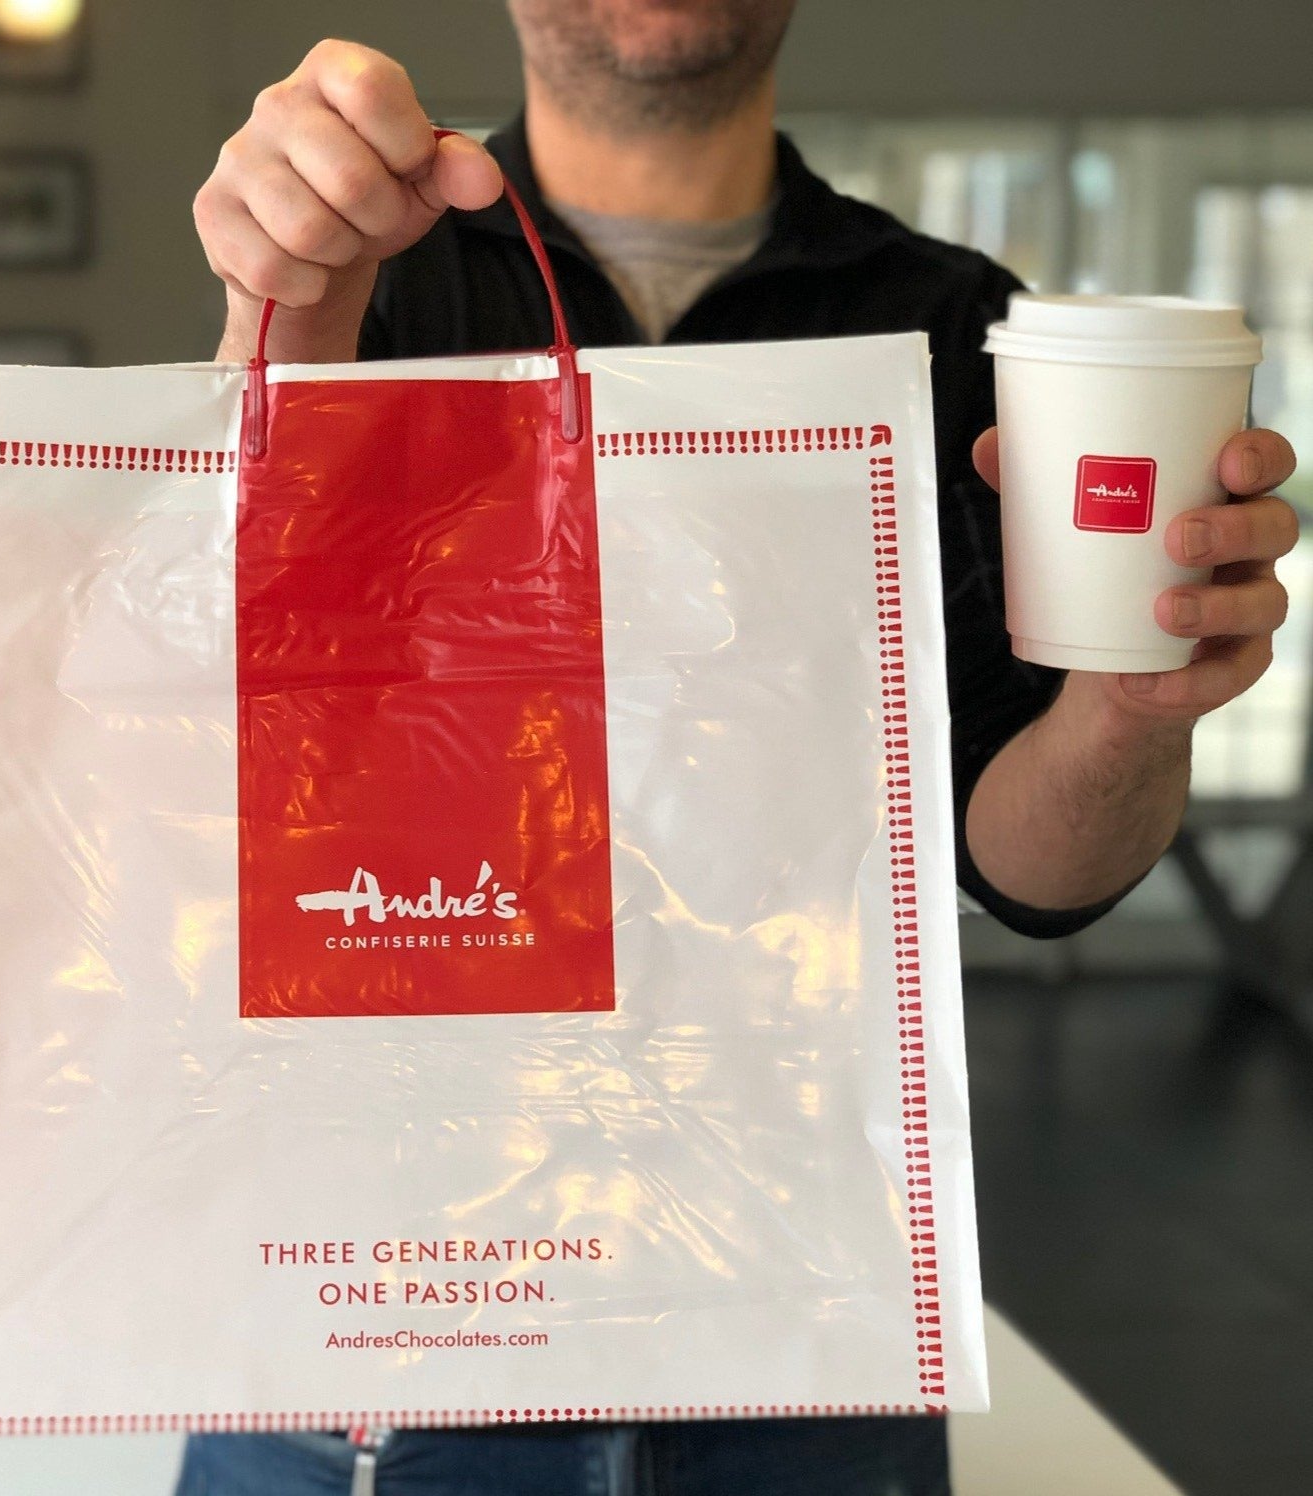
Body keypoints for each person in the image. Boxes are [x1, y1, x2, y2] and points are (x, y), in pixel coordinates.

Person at [182, 4, 1301, 1492]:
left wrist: (1127, 702)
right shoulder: (357, 268)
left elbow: (1027, 872)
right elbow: (215, 754)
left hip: (798, 1320)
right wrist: (291, 317)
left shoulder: (960, 317)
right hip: (374, 1313)